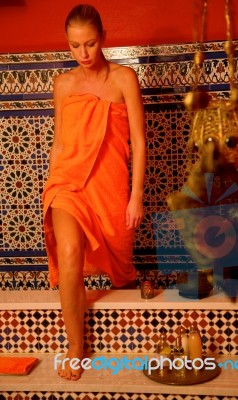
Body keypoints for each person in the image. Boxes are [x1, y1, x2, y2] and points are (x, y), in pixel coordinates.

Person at [42, 4, 146, 380]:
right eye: (74, 46)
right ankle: (75, 345)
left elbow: (138, 139)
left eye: (89, 44)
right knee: (69, 250)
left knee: (121, 261)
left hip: (109, 186)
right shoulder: (63, 85)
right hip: (66, 183)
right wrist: (52, 184)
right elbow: (59, 142)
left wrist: (136, 197)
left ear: (103, 38)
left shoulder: (124, 79)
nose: (82, 54)